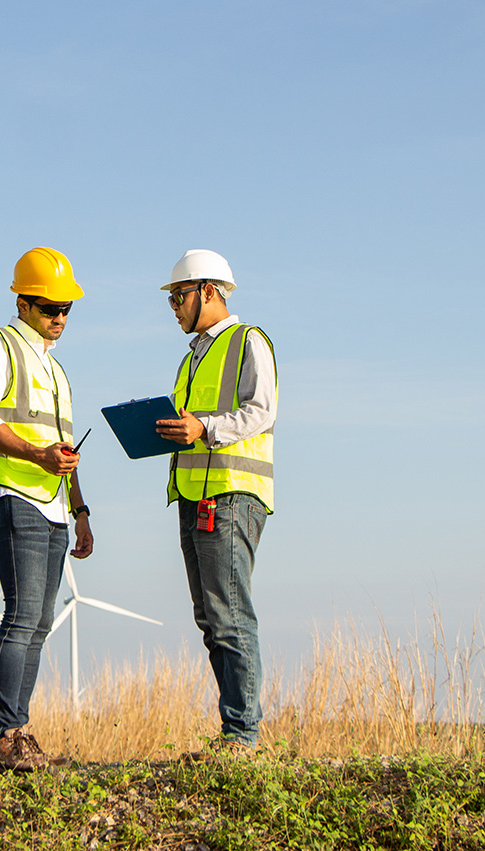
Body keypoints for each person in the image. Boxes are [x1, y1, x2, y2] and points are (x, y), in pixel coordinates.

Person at [0, 247, 94, 773]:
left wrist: (80, 510)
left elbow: (65, 449)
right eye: (48, 307)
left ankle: (17, 732)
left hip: (56, 508)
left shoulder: (57, 371)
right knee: (21, 616)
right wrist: (36, 455)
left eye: (66, 309)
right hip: (14, 495)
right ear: (22, 301)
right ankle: (3, 737)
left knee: (38, 621)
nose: (58, 317)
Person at [154, 249, 276, 754]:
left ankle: (243, 736)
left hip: (230, 496)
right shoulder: (191, 358)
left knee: (229, 616)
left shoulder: (249, 342)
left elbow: (261, 411)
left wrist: (203, 427)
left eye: (179, 296)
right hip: (193, 496)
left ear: (209, 291)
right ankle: (235, 732)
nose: (175, 307)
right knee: (210, 619)